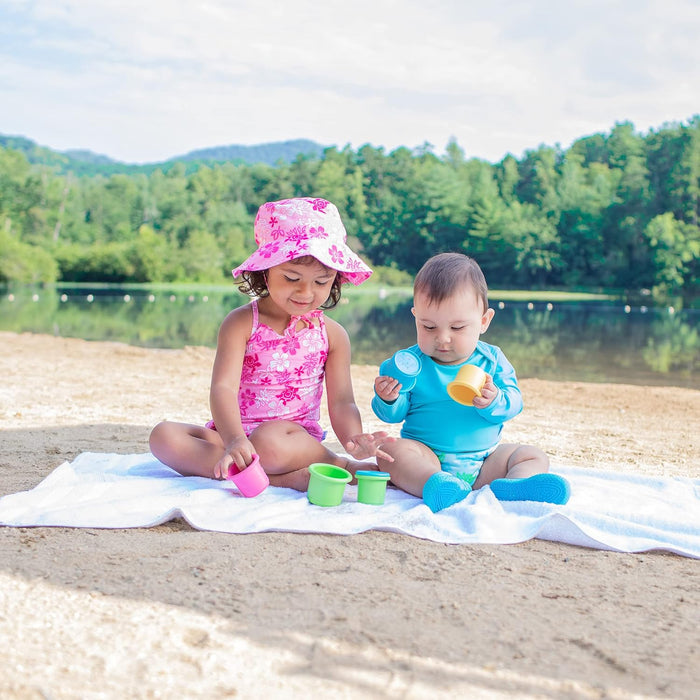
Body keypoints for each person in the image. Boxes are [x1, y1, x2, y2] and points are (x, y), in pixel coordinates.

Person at [150, 197, 392, 491]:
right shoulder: (241, 324)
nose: (306, 292)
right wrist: (235, 439)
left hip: (289, 440)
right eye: (292, 278)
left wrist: (353, 441)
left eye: (321, 281)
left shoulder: (333, 335)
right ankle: (281, 479)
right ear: (265, 271)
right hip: (235, 434)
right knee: (163, 437)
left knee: (270, 443)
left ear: (336, 280)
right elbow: (223, 388)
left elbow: (342, 402)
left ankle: (339, 464)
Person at [372, 252, 570, 512]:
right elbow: (393, 415)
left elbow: (514, 402)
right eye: (429, 327)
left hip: (484, 460)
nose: (443, 338)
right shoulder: (412, 363)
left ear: (484, 321)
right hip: (427, 456)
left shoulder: (492, 360)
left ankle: (514, 486)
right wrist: (388, 398)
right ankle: (434, 484)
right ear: (415, 317)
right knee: (390, 451)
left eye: (457, 328)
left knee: (531, 455)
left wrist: (495, 400)